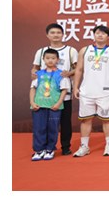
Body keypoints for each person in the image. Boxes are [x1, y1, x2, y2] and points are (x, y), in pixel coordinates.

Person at [31, 23, 78, 155]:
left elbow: (78, 68)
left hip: (63, 92)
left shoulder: (71, 51)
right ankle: (43, 148)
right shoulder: (41, 51)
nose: (55, 35)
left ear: (63, 34)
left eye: (58, 32)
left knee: (65, 122)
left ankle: (65, 147)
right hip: (44, 95)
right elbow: (35, 68)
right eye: (52, 32)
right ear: (47, 35)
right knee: (44, 123)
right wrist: (33, 73)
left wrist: (69, 73)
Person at [72, 24, 109, 157]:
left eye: (103, 33)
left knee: (107, 120)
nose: (100, 35)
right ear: (94, 35)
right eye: (97, 33)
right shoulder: (85, 50)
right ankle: (84, 146)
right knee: (86, 120)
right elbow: (79, 69)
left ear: (108, 37)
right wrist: (76, 86)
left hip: (105, 92)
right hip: (87, 91)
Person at [29, 48, 68, 161]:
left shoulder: (61, 74)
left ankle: (50, 149)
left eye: (53, 58)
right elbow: (33, 88)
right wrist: (32, 102)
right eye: (47, 58)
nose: (50, 60)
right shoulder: (38, 74)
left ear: (57, 60)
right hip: (39, 106)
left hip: (54, 107)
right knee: (38, 128)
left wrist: (58, 103)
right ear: (43, 59)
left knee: (53, 129)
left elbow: (64, 90)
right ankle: (39, 150)